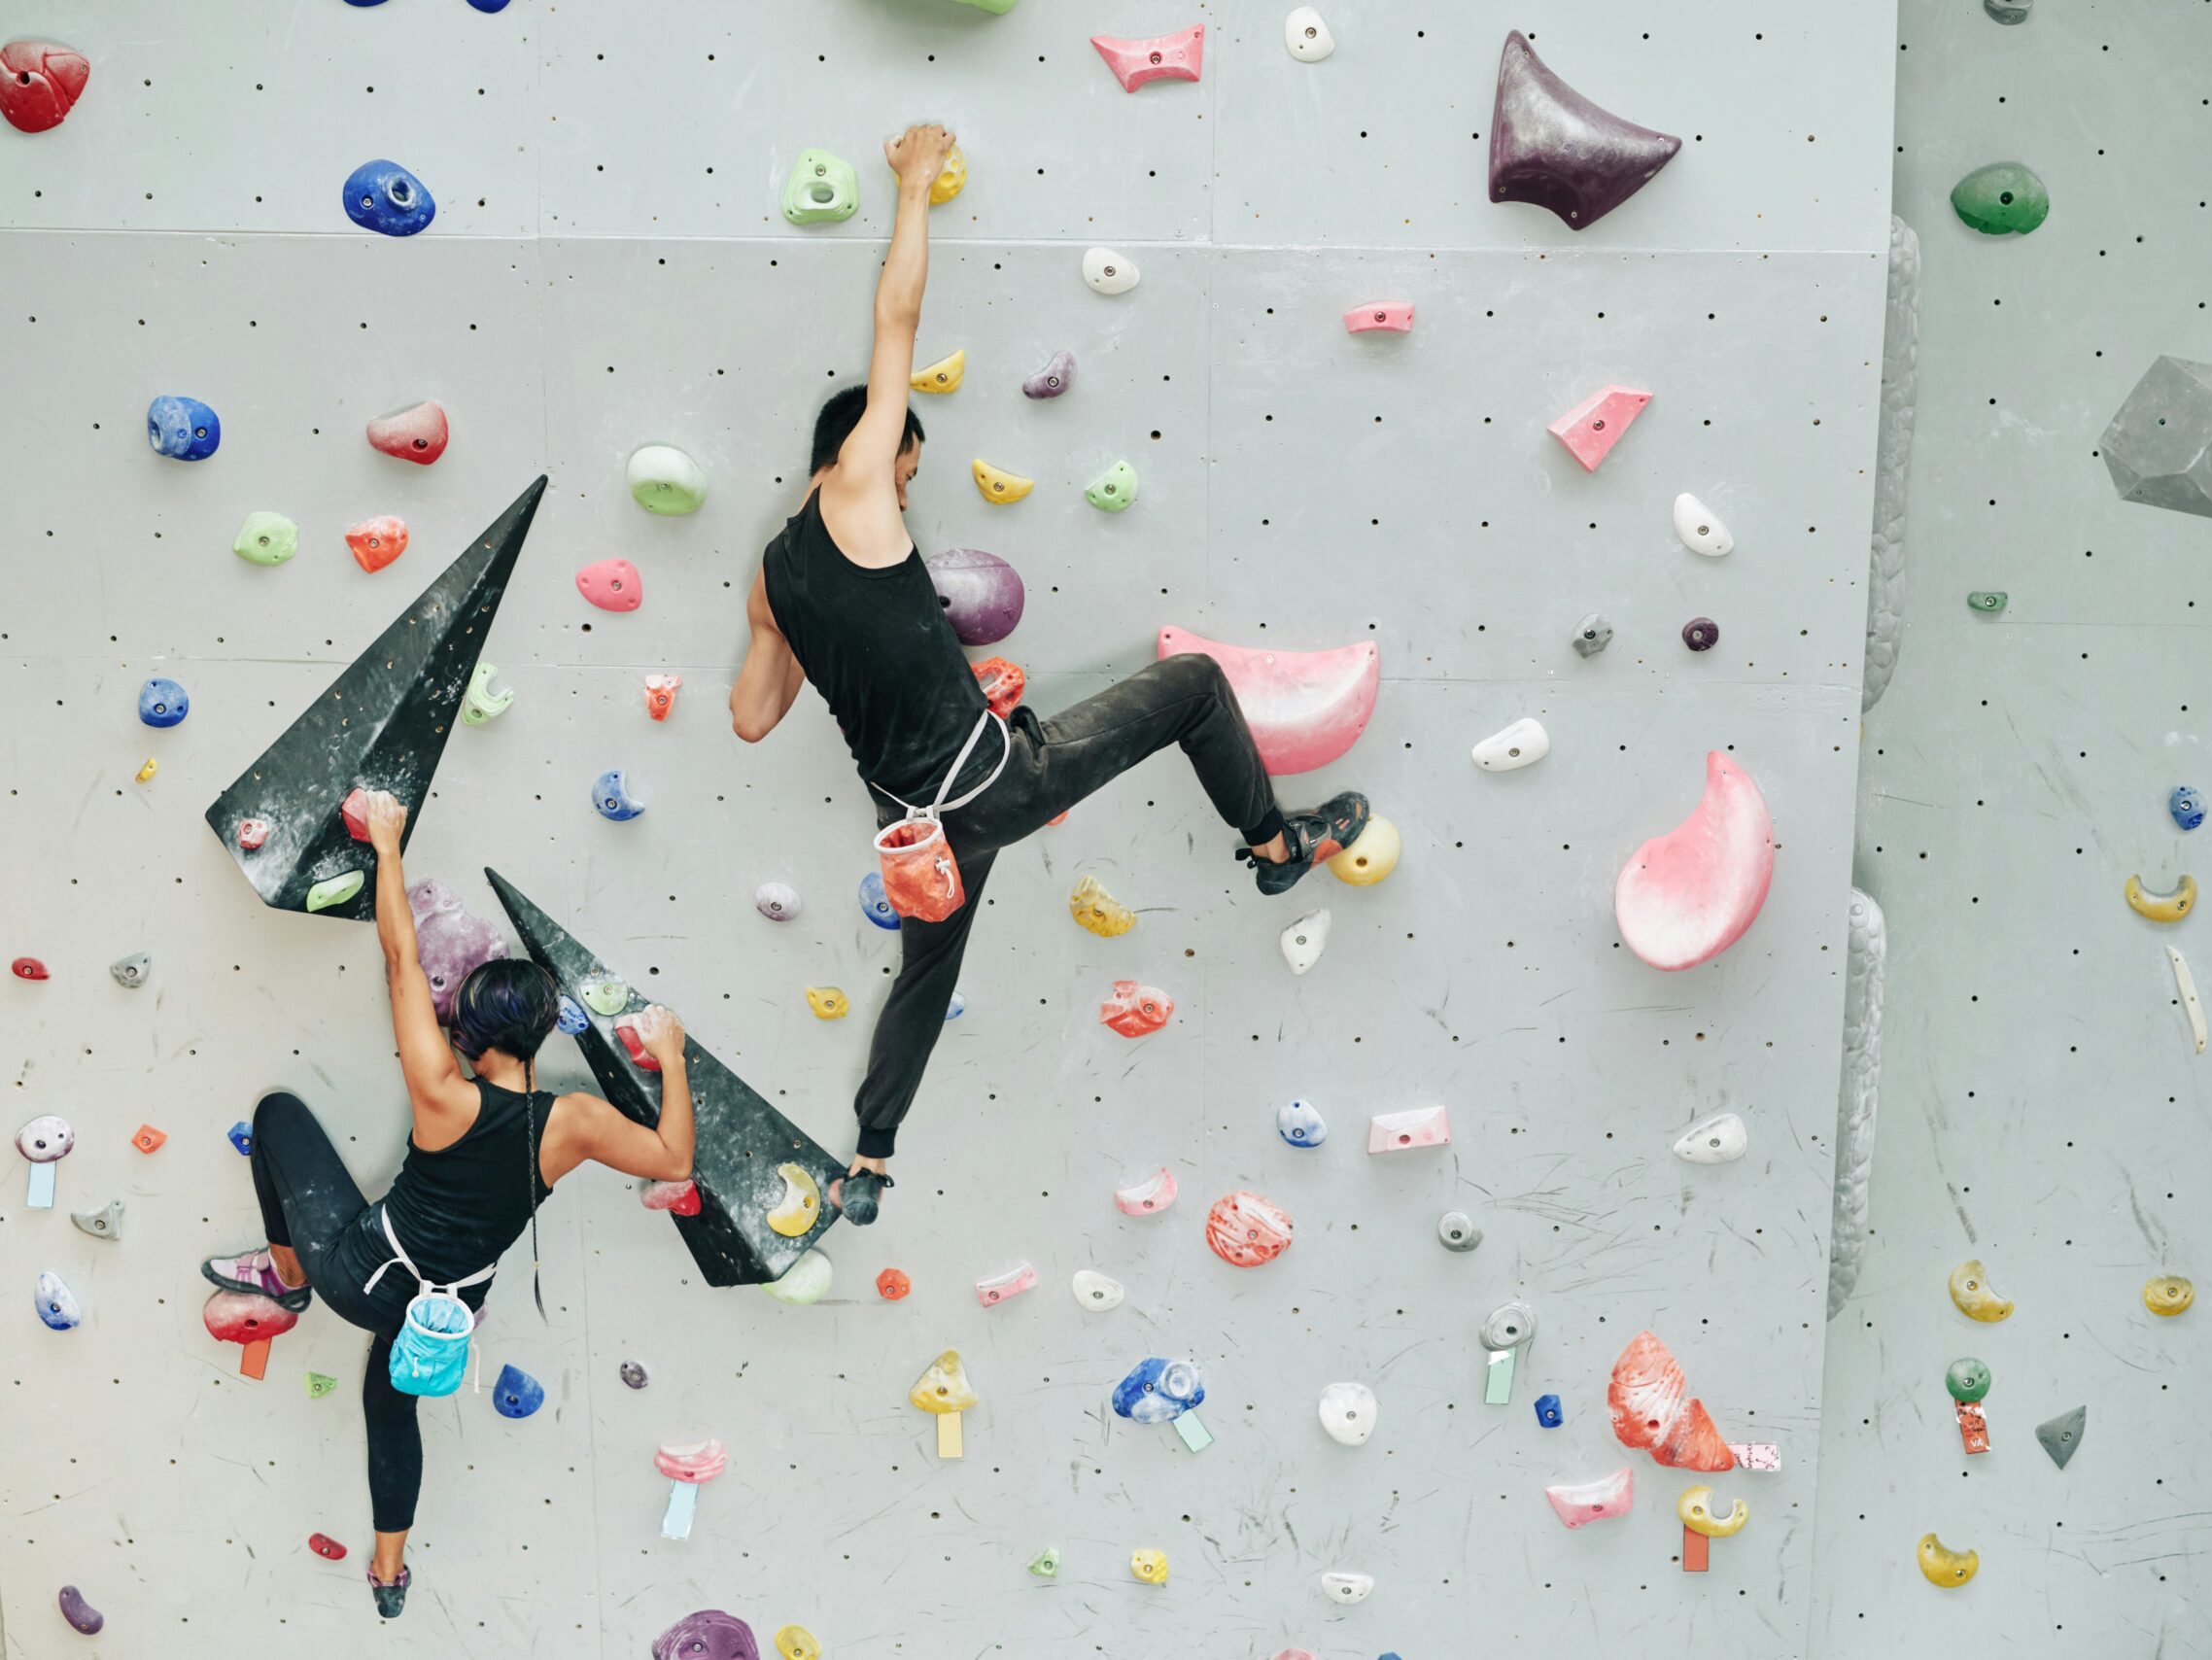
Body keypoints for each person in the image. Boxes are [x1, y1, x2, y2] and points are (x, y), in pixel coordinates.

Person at [729, 121, 1371, 1225]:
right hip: (996, 788)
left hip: (921, 842)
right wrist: (916, 187)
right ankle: (1276, 844)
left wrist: (805, 649)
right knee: (1198, 690)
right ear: (869, 454)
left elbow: (751, 717)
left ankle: (871, 1161)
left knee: (923, 978)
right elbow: (896, 318)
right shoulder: (862, 489)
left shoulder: (769, 583)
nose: (909, 495)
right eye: (905, 470)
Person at [200, 790, 698, 1619]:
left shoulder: (445, 1095)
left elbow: (402, 960)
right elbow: (673, 1156)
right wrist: (670, 1058)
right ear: (538, 1035)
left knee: (276, 1117)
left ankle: (286, 1276)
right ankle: (390, 1575)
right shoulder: (570, 1124)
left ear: (468, 1032)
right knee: (392, 1404)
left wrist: (388, 850)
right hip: (445, 1312)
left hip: (360, 1276)